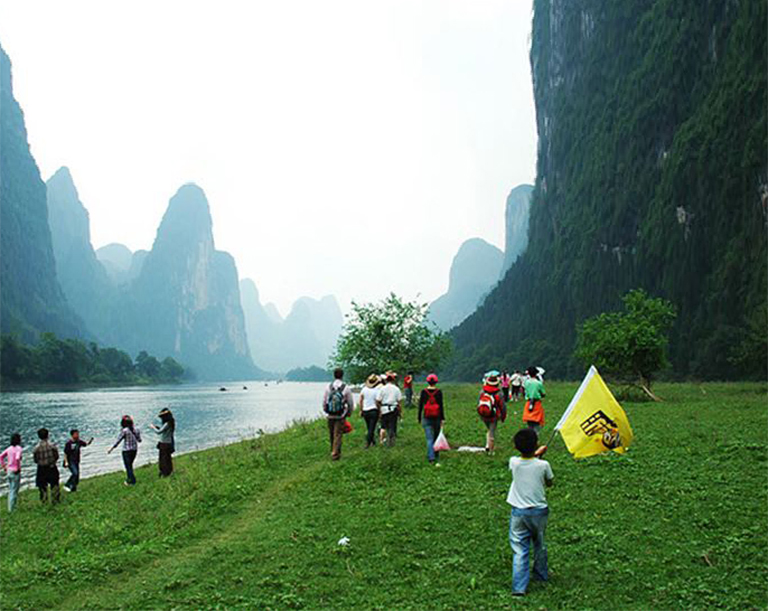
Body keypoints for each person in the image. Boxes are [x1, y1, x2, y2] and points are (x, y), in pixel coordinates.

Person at [507, 428, 552, 596]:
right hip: (540, 511)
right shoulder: (544, 465)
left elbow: (524, 463)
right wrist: (539, 455)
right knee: (539, 543)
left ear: (516, 447)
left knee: (519, 548)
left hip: (519, 512)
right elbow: (549, 482)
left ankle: (519, 587)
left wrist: (536, 454)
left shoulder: (513, 462)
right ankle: (541, 575)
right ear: (536, 444)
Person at [322, 368, 355, 461]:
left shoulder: (328, 387)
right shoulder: (346, 388)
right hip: (340, 414)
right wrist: (349, 413)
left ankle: (333, 450)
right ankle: (335, 454)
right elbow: (350, 403)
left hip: (330, 414)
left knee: (332, 434)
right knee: (338, 434)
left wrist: (326, 410)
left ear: (334, 375)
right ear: (342, 375)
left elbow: (324, 401)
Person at [417, 373, 445, 465]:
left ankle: (431, 458)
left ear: (427, 381)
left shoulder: (423, 392)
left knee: (429, 438)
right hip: (436, 417)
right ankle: (436, 453)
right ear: (436, 382)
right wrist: (442, 418)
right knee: (436, 436)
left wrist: (419, 417)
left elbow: (420, 405)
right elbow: (441, 406)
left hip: (426, 416)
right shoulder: (439, 392)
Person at [477, 371, 507, 453]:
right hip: (494, 415)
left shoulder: (482, 391)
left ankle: (487, 445)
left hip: (484, 414)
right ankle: (490, 450)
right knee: (492, 432)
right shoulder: (499, 393)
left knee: (489, 429)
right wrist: (503, 416)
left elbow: (478, 403)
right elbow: (502, 406)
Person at [108, 415, 142, 485]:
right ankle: (130, 479)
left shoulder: (125, 430)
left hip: (126, 451)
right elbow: (139, 440)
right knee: (130, 465)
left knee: (128, 466)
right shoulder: (136, 430)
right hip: (134, 450)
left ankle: (132, 481)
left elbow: (118, 440)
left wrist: (111, 448)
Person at [33, 428, 60, 504]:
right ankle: (55, 500)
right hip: (51, 467)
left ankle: (44, 500)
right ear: (48, 435)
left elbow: (35, 460)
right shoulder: (52, 446)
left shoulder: (36, 448)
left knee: (42, 486)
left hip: (41, 469)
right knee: (54, 484)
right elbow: (56, 456)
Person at [376, 371, 403, 447]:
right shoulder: (396, 389)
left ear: (386, 380)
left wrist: (379, 409)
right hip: (393, 409)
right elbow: (399, 402)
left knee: (383, 426)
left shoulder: (382, 389)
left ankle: (381, 441)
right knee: (392, 426)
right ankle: (391, 441)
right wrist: (400, 412)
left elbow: (378, 400)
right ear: (393, 380)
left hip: (384, 409)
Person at [0, 433, 23, 512]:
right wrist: (18, 468)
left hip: (9, 470)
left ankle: (11, 506)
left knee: (11, 489)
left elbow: (1, 456)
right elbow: (17, 458)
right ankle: (12, 509)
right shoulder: (19, 448)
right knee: (15, 490)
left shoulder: (9, 448)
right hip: (15, 471)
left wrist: (4, 466)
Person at [150, 409, 175, 477]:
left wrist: (153, 427)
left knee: (163, 459)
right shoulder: (171, 423)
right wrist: (157, 427)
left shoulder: (167, 423)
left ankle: (165, 472)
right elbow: (163, 431)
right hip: (168, 443)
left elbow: (159, 432)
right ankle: (169, 471)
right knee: (167, 458)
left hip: (164, 443)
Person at [359, 374, 381, 448]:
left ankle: (372, 441)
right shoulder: (376, 390)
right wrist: (379, 410)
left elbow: (361, 400)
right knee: (372, 428)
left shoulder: (364, 389)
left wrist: (361, 410)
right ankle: (368, 443)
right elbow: (377, 401)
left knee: (369, 427)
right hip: (373, 410)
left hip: (365, 410)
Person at [523, 366, 546, 434]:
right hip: (536, 404)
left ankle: (529, 439)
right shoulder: (538, 383)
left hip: (528, 403)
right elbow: (543, 393)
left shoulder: (526, 382)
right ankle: (535, 439)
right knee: (536, 424)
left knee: (529, 424)